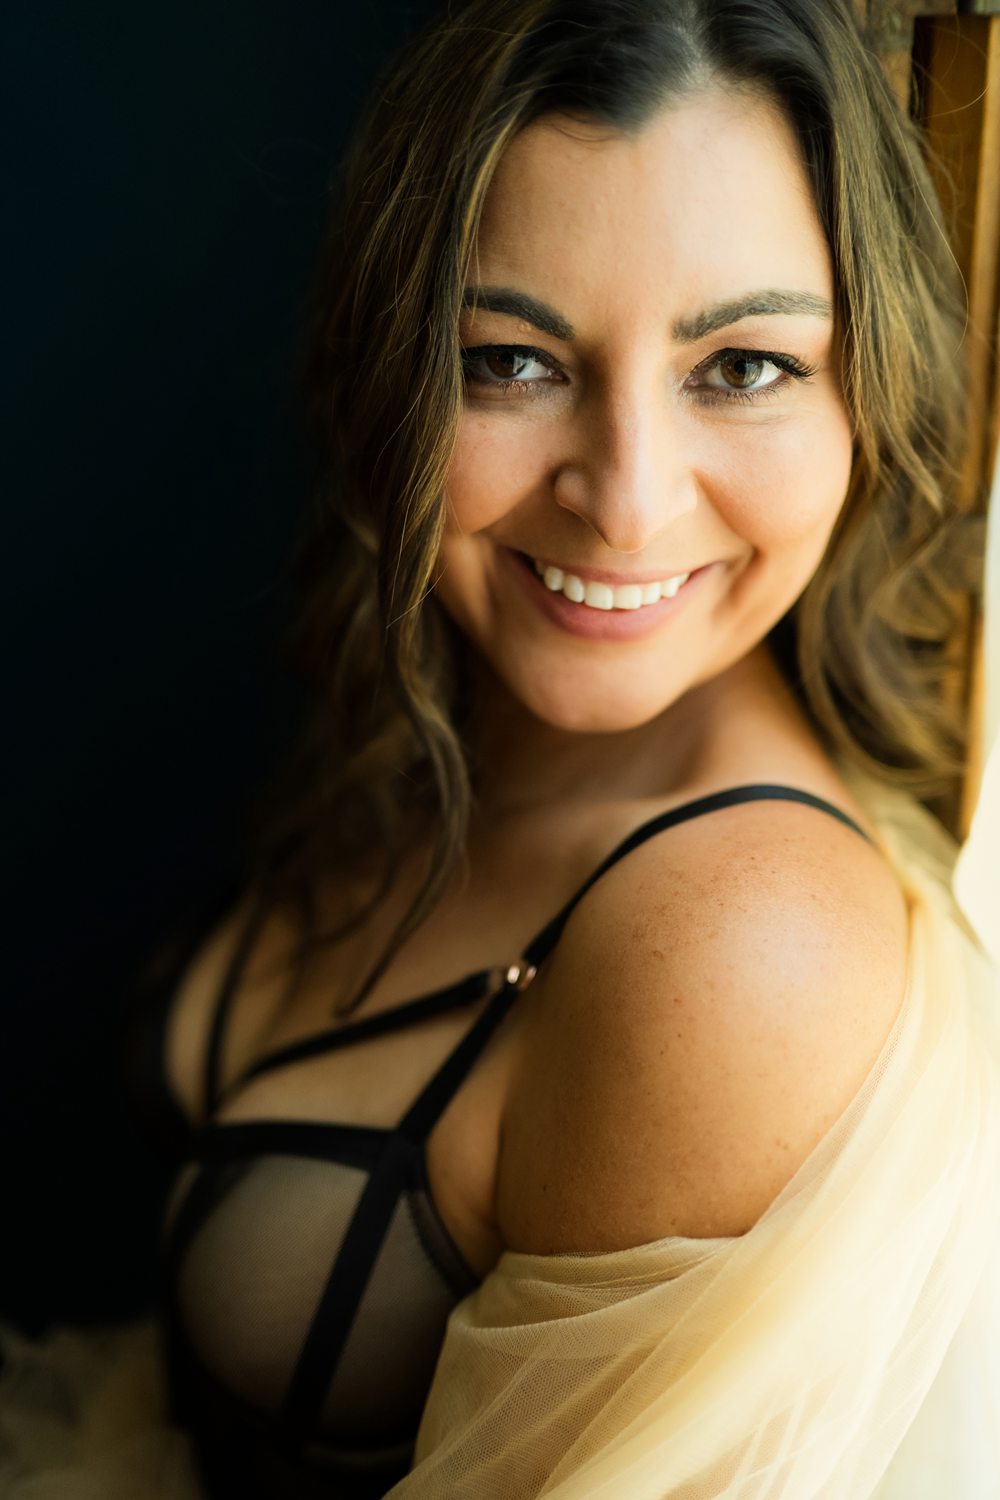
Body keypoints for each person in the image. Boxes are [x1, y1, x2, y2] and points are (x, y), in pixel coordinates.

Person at [2, 0, 997, 1496]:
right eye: (513, 361)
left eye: (742, 367)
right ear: (396, 363)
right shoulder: (449, 701)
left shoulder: (748, 950)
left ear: (870, 388)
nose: (626, 503)